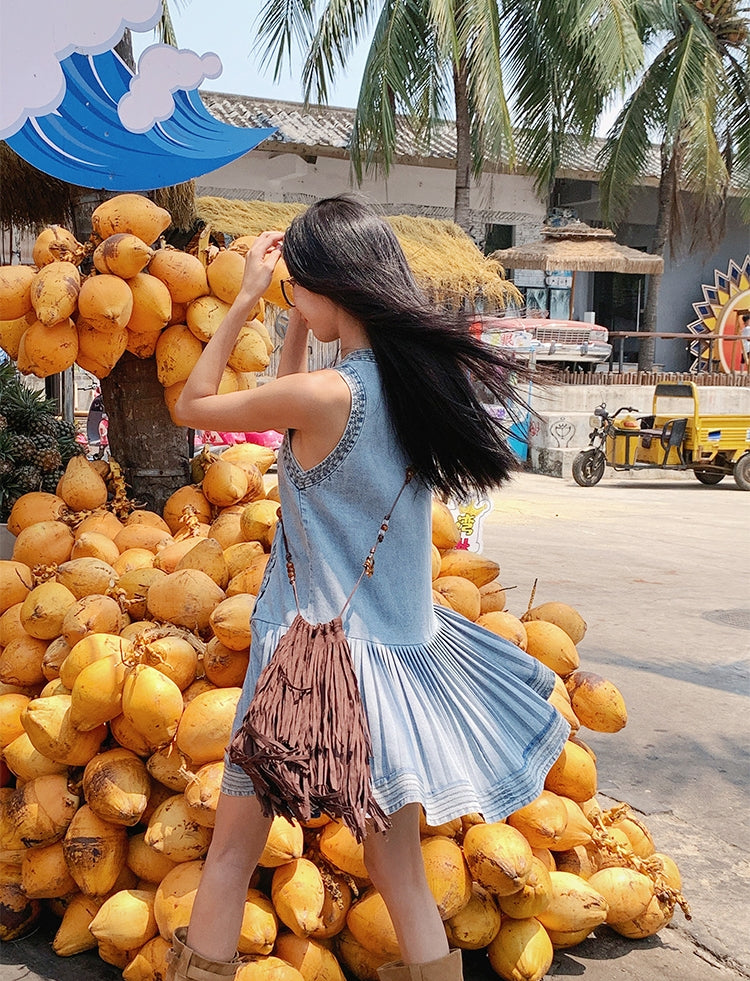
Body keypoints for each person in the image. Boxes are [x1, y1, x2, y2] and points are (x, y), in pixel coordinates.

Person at [171, 195, 569, 981]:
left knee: (229, 858)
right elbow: (293, 415)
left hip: (300, 671)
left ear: (329, 287)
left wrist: (249, 298)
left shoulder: (326, 398)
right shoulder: (414, 382)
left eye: (298, 289)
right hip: (392, 674)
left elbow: (191, 404)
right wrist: (296, 316)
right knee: (403, 873)